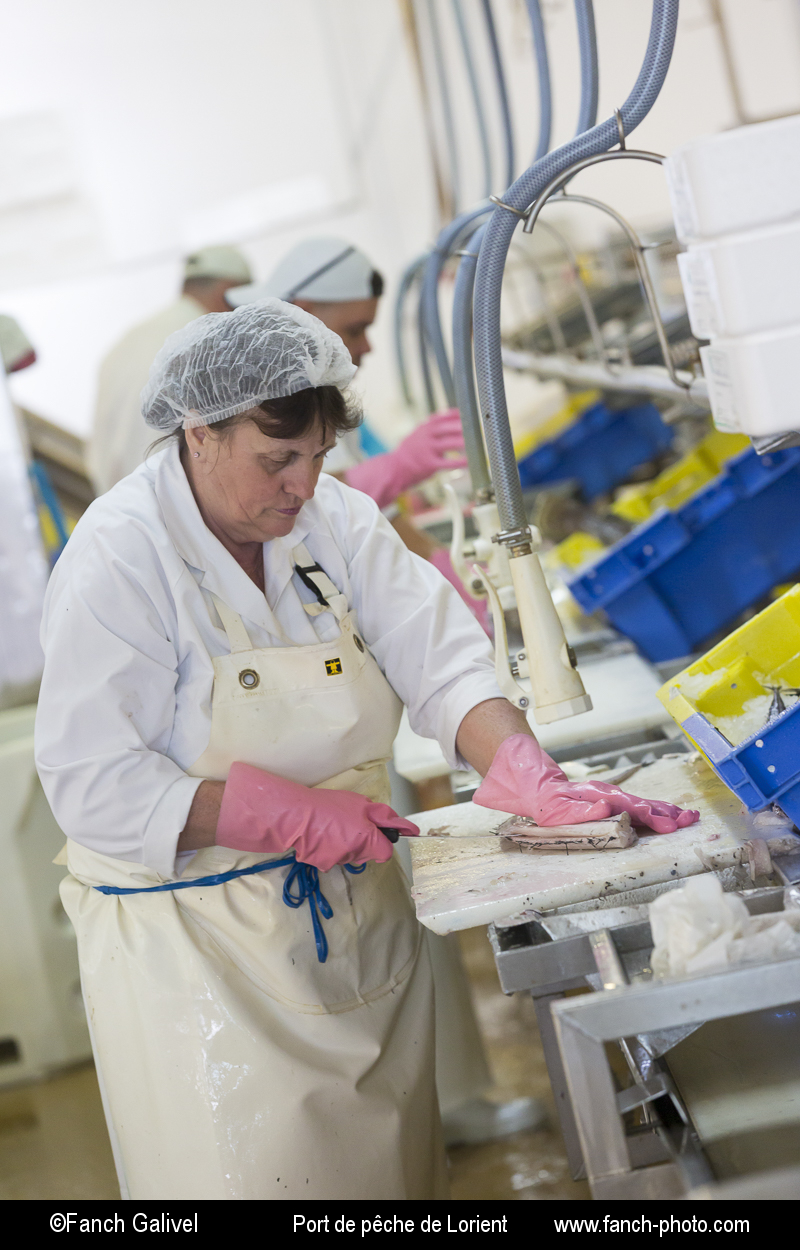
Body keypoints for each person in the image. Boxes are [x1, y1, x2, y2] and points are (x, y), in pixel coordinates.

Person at [35, 300, 698, 1200]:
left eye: (316, 458)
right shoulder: (119, 558)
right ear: (199, 432)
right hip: (198, 956)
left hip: (355, 925)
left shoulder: (333, 521)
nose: (302, 486)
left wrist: (521, 769)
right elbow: (92, 785)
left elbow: (443, 659)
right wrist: (285, 813)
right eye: (278, 460)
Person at [227, 238, 488, 626]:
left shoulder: (318, 393)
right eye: (356, 329)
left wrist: (444, 576)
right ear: (306, 315)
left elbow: (373, 513)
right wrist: (394, 469)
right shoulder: (251, 392)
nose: (366, 347)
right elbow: (279, 501)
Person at [87, 245, 252, 495]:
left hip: (120, 501)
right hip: (174, 504)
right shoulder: (210, 344)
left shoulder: (130, 339)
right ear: (228, 293)